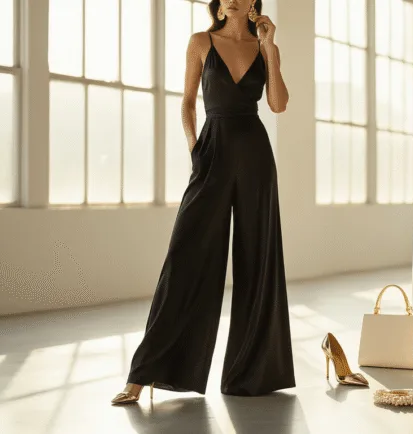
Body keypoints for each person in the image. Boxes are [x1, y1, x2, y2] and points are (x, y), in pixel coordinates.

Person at [111, 0, 295, 404]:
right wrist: (196, 149)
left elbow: (278, 105)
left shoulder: (267, 47)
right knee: (186, 255)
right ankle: (144, 374)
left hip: (255, 157)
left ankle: (252, 373)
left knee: (257, 259)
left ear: (252, 4)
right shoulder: (199, 42)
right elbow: (187, 102)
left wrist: (270, 48)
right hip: (212, 152)